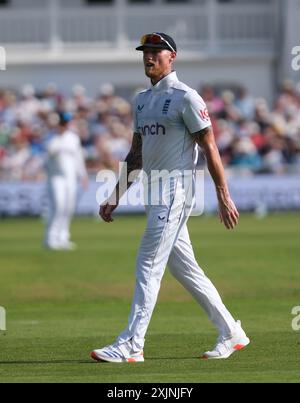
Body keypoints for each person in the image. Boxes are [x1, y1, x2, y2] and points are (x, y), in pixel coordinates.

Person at [91, 33, 250, 362]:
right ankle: (231, 331)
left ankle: (131, 345)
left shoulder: (186, 97)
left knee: (148, 264)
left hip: (176, 192)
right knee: (186, 269)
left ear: (171, 57)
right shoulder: (141, 101)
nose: (148, 57)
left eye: (155, 52)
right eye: (145, 53)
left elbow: (210, 147)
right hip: (153, 191)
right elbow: (136, 155)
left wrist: (223, 195)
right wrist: (115, 195)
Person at [45, 112, 88, 250]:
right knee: (58, 206)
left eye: (66, 123)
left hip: (70, 178)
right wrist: (58, 138)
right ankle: (51, 238)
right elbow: (48, 154)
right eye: (62, 123)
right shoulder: (52, 138)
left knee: (68, 208)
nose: (64, 126)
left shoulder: (73, 138)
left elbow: (78, 158)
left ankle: (63, 237)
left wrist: (83, 175)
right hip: (56, 177)